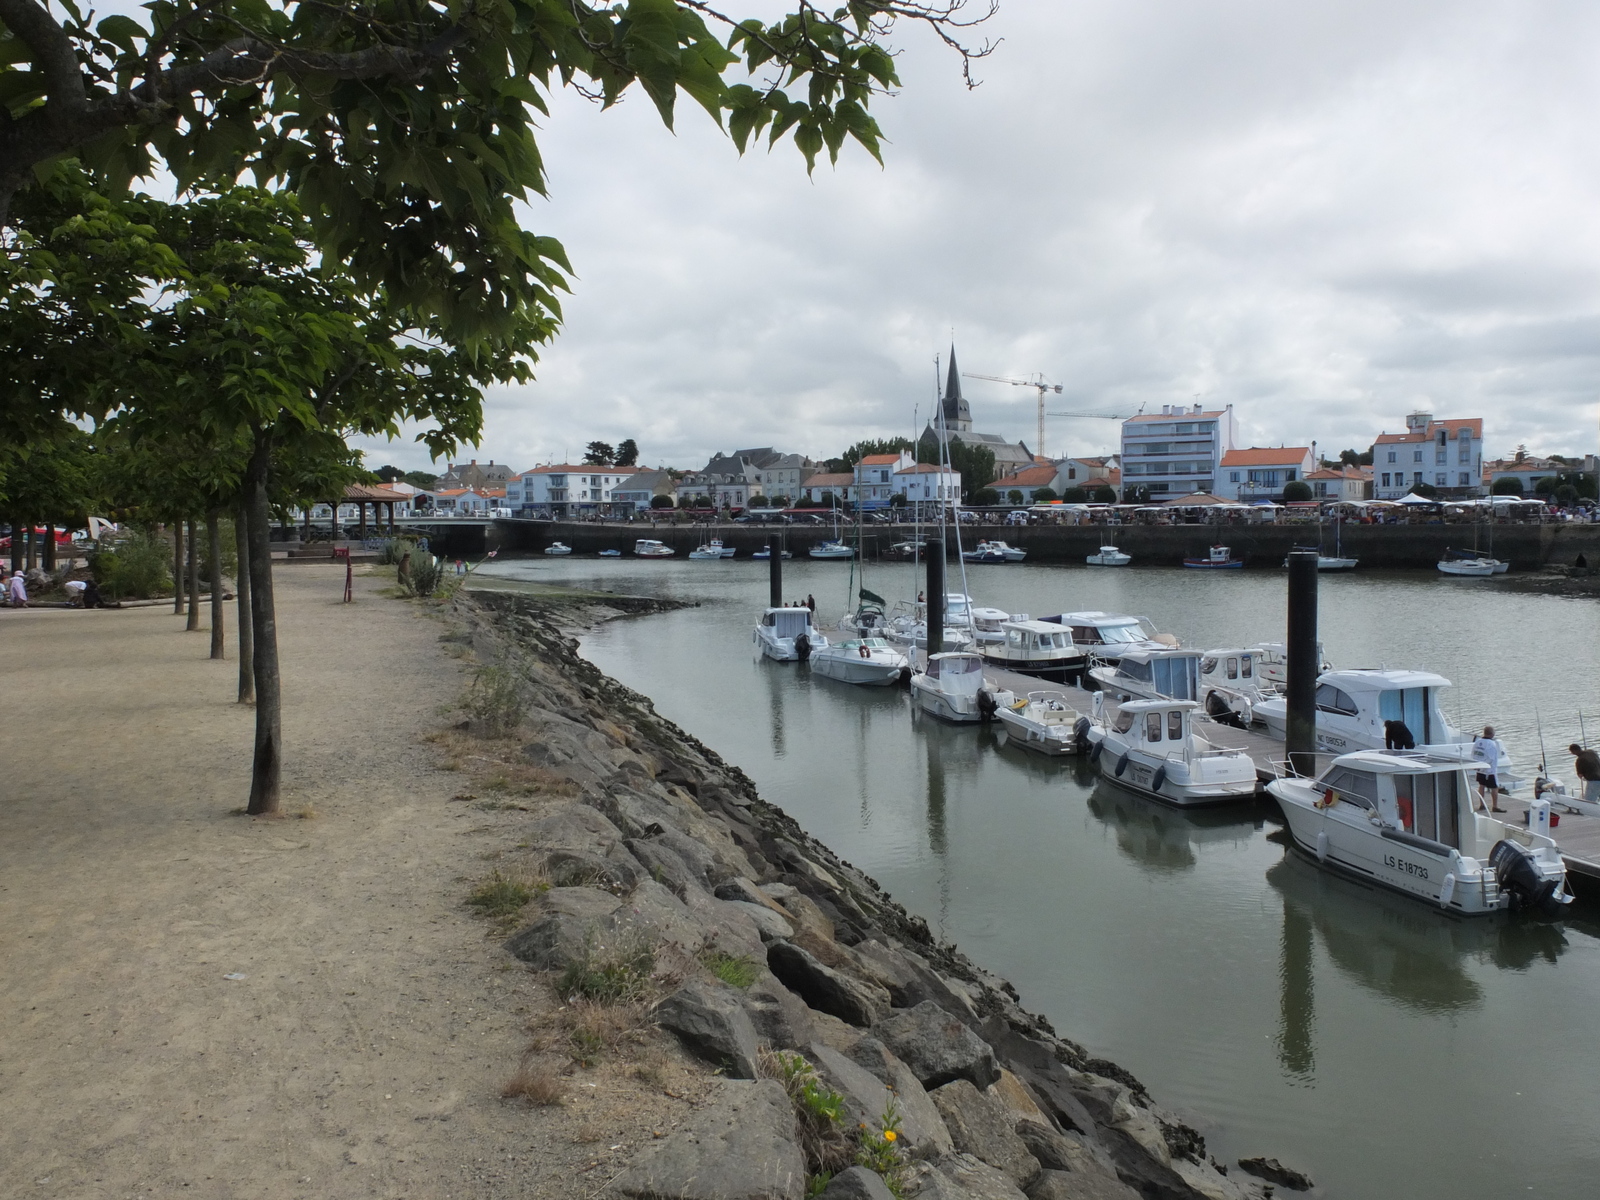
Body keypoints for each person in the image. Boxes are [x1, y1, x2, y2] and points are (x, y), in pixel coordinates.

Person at [1473, 726, 1505, 812]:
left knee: (1481, 785)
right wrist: (1485, 765)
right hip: (1489, 770)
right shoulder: (1491, 744)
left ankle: (1482, 804)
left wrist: (1477, 765)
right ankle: (1495, 806)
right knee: (1494, 787)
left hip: (1479, 769)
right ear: (1492, 734)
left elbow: (1474, 754)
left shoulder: (1478, 742)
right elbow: (1491, 758)